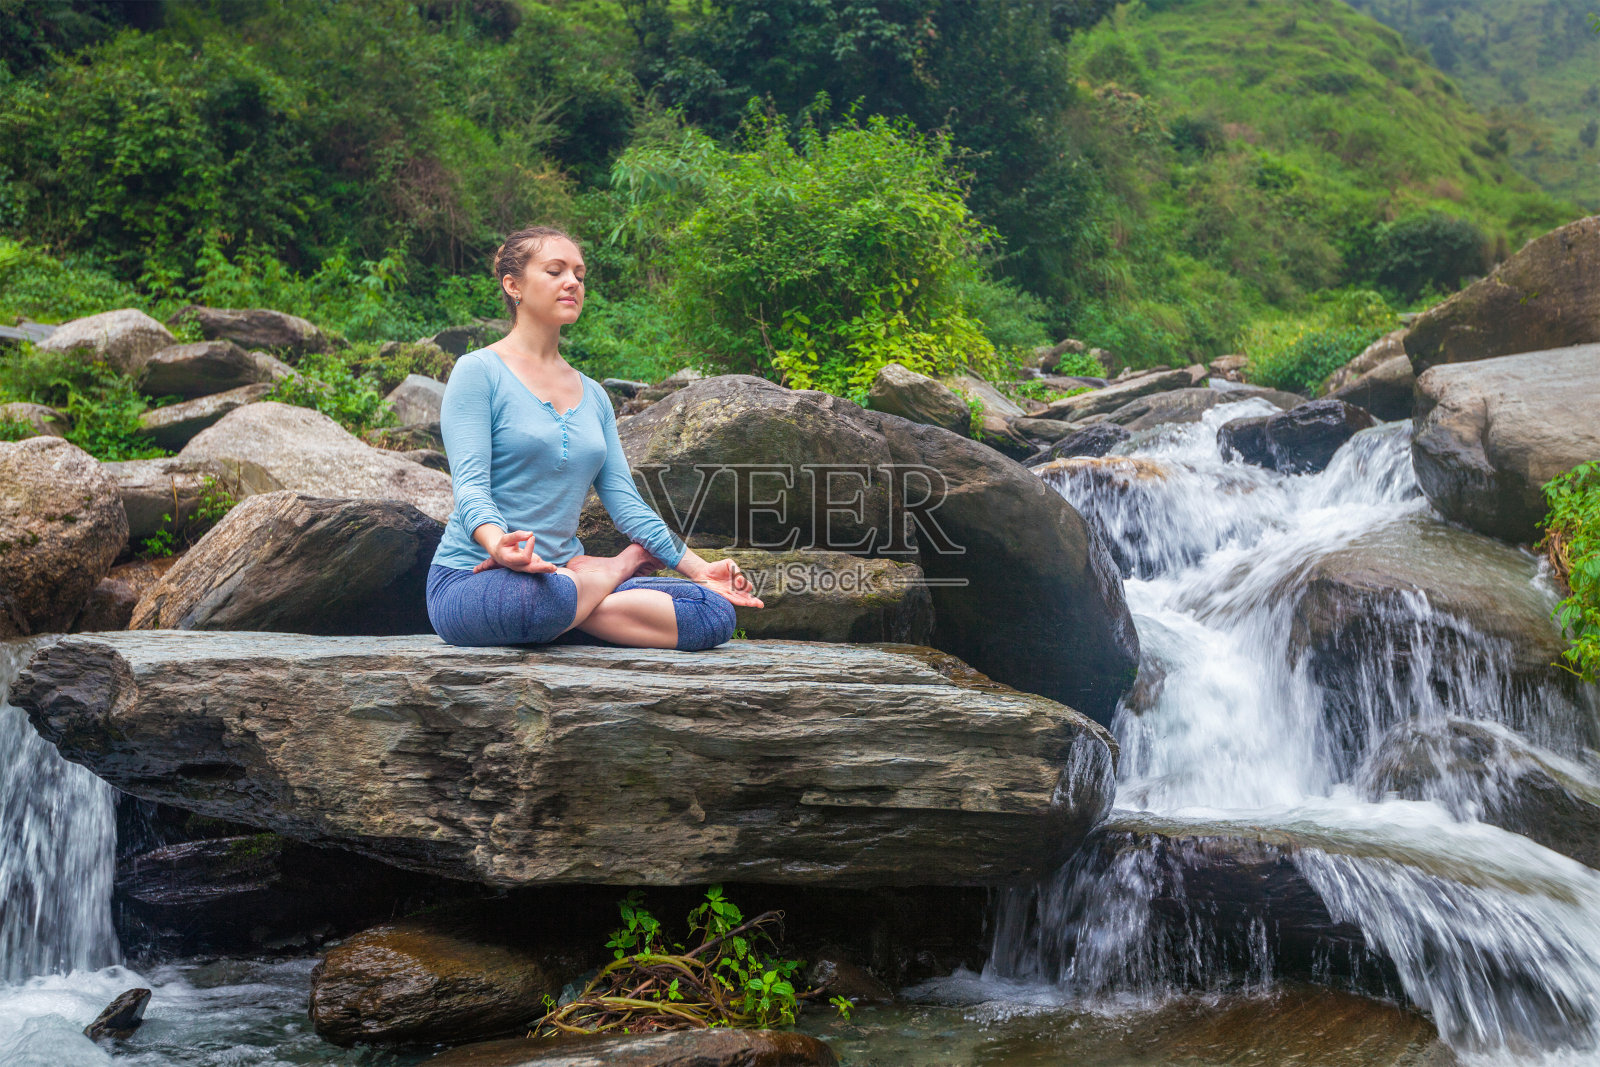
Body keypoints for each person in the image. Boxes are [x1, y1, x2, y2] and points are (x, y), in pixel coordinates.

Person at [425, 224, 762, 651]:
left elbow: (626, 503)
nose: (572, 282)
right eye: (555, 271)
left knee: (711, 612)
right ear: (513, 285)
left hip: (563, 577)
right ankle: (610, 574)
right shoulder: (478, 371)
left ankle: (574, 607)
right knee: (532, 601)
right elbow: (471, 488)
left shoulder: (595, 396)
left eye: (579, 275)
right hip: (474, 580)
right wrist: (498, 545)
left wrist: (698, 569)